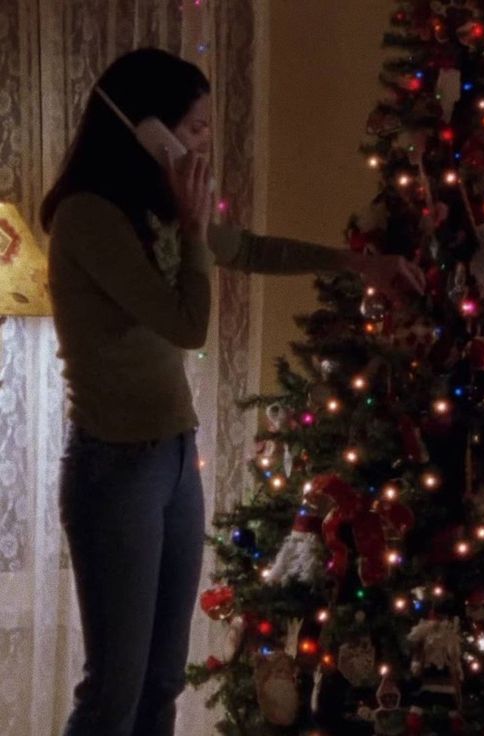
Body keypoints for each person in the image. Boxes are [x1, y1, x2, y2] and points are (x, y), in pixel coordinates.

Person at [40, 47, 424, 736]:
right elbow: (186, 324)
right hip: (114, 469)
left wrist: (355, 264)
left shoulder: (157, 208)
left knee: (162, 679)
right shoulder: (88, 217)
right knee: (114, 691)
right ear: (145, 130)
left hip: (171, 461)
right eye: (195, 128)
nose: (205, 142)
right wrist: (191, 230)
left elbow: (246, 248)